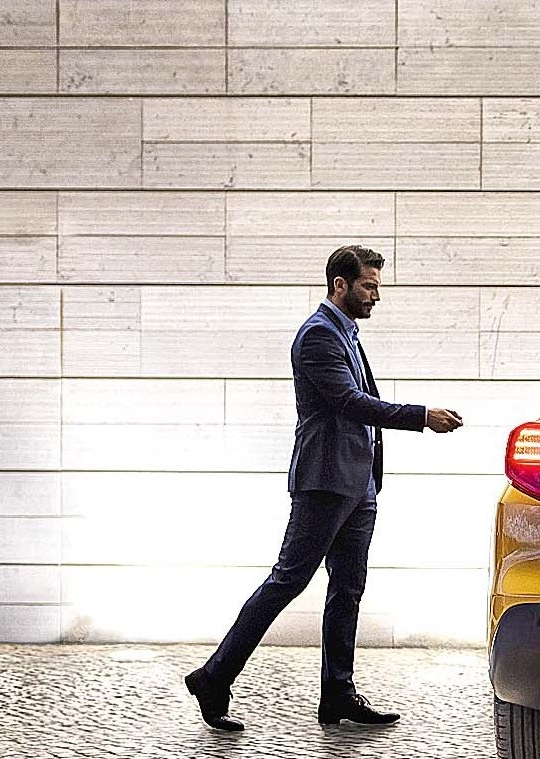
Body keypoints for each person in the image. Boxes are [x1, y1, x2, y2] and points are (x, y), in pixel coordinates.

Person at [184, 245, 465, 732]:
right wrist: (421, 416)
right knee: (287, 581)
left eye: (377, 286)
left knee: (348, 589)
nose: (376, 296)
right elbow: (350, 403)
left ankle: (337, 693)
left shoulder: (346, 333)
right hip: (324, 482)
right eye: (368, 286)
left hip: (358, 485)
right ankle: (214, 677)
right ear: (340, 284)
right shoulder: (318, 335)